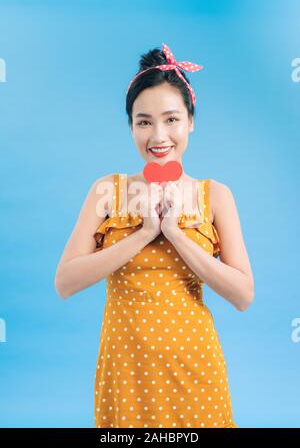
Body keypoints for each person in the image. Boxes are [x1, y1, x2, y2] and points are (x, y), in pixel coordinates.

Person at [55, 43, 254, 428]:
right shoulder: (105, 192)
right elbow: (65, 282)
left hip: (194, 367)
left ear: (191, 121)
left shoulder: (216, 196)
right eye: (143, 122)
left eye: (171, 119)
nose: (158, 135)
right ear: (130, 126)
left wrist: (176, 234)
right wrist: (143, 232)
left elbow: (243, 295)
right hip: (125, 369)